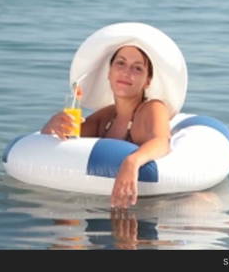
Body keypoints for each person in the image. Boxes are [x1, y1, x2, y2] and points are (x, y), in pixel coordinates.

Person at [41, 45, 171, 209]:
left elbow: (161, 141)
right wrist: (52, 126)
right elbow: (68, 139)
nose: (126, 72)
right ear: (109, 73)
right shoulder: (107, 117)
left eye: (137, 68)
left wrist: (131, 162)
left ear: (147, 81)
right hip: (104, 201)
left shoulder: (152, 108)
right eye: (120, 63)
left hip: (149, 203)